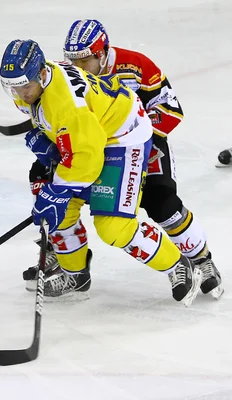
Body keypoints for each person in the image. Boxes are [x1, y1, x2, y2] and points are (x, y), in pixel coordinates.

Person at [24, 19, 222, 300]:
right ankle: (62, 250)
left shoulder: (136, 65)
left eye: (84, 61)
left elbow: (170, 110)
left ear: (101, 52)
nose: (77, 67)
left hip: (138, 141)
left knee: (161, 202)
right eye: (72, 60)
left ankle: (202, 260)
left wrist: (113, 140)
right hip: (91, 146)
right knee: (42, 176)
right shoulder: (63, 74)